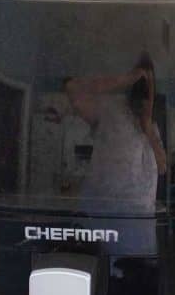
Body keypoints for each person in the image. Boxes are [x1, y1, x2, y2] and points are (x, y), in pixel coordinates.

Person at [65, 54, 166, 214]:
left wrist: (147, 128)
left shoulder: (152, 130)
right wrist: (126, 79)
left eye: (149, 88)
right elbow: (72, 89)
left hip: (140, 223)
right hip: (102, 217)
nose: (144, 95)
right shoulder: (111, 108)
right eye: (140, 84)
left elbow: (162, 168)